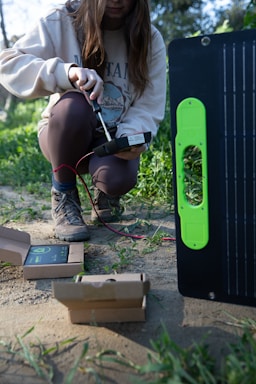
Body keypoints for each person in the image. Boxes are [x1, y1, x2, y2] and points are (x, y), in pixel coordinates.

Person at [0, 0, 166, 242]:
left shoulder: (149, 38)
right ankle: (64, 193)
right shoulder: (61, 20)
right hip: (65, 132)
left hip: (111, 137)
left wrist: (130, 136)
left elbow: (148, 106)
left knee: (117, 178)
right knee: (75, 107)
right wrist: (66, 73)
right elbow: (7, 63)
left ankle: (106, 195)